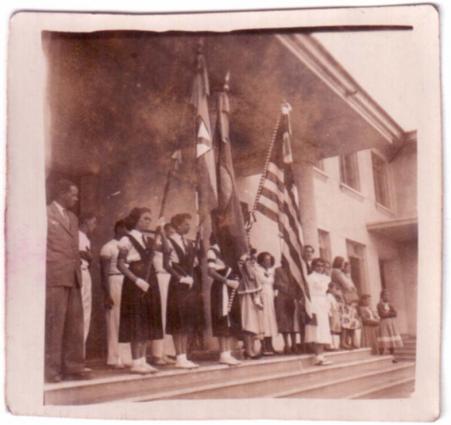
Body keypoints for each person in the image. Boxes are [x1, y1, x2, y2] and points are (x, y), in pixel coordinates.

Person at [45, 179, 88, 383]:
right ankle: (51, 371)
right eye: (73, 194)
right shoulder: (45, 213)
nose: (76, 198)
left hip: (73, 276)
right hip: (55, 275)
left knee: (74, 324)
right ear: (62, 193)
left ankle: (74, 367)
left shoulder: (72, 217)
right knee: (55, 324)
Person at [117, 207, 163, 374]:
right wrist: (136, 280)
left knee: (146, 320)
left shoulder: (148, 239)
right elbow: (120, 264)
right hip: (135, 281)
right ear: (135, 220)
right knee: (136, 320)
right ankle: (136, 361)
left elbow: (166, 249)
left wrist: (161, 231)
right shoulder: (126, 239)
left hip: (149, 279)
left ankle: (143, 360)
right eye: (145, 218)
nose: (148, 221)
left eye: (150, 219)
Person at [165, 213, 201, 369]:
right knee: (178, 320)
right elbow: (168, 264)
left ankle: (184, 355)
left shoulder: (189, 243)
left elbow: (192, 264)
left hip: (189, 285)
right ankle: (179, 356)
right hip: (177, 284)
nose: (189, 227)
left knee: (186, 319)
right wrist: (180, 278)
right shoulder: (170, 242)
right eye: (186, 224)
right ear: (178, 226)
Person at [100, 219, 132, 369]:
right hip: (114, 282)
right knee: (114, 320)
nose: (128, 232)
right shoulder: (108, 247)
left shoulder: (128, 246)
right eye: (126, 228)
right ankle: (114, 357)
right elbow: (104, 273)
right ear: (118, 228)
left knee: (126, 321)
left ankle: (127, 357)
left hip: (126, 283)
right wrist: (107, 294)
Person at [207, 236, 242, 365]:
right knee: (222, 318)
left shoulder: (227, 252)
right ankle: (223, 353)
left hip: (229, 288)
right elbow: (210, 271)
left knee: (229, 320)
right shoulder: (212, 251)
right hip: (220, 288)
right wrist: (226, 281)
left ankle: (227, 353)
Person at [150, 223, 176, 366]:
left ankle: (165, 352)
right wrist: (160, 234)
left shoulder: (170, 246)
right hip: (159, 279)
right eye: (169, 233)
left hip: (169, 279)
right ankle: (157, 354)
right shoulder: (157, 244)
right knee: (160, 316)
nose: (171, 235)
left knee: (167, 317)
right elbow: (164, 248)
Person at [304, 258, 333, 365]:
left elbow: (328, 290)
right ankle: (318, 356)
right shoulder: (310, 278)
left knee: (323, 330)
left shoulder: (326, 278)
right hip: (314, 303)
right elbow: (307, 293)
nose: (320, 268)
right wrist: (309, 307)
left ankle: (321, 355)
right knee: (316, 330)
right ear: (313, 266)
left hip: (323, 304)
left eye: (322, 266)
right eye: (317, 266)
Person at [237, 249, 265, 359]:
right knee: (249, 324)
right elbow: (240, 264)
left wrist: (258, 298)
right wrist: (244, 259)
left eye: (254, 258)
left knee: (255, 325)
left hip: (256, 300)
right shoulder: (244, 273)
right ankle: (248, 350)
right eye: (250, 259)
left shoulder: (255, 270)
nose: (253, 261)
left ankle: (253, 349)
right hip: (248, 299)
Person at [331, 256, 360, 349]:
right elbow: (348, 285)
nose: (344, 265)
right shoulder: (336, 271)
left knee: (350, 320)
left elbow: (353, 287)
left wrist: (348, 275)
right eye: (343, 263)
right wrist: (347, 275)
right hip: (343, 298)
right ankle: (343, 342)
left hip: (347, 299)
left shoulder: (342, 273)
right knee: (345, 320)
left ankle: (349, 341)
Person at [78, 213, 97, 351]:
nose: (94, 226)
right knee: (82, 313)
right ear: (86, 221)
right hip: (80, 272)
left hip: (85, 271)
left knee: (85, 313)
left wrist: (89, 256)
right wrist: (89, 256)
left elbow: (88, 256)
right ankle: (79, 354)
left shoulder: (85, 238)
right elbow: (82, 254)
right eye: (93, 222)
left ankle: (81, 354)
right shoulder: (78, 236)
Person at [256, 252, 278, 356]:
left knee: (271, 321)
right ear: (261, 260)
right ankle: (263, 346)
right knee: (263, 320)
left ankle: (271, 345)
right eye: (265, 259)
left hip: (270, 296)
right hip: (262, 295)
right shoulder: (257, 270)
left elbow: (273, 283)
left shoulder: (271, 271)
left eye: (269, 259)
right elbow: (258, 283)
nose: (268, 262)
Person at [274, 266, 297, 354]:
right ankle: (286, 344)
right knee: (284, 321)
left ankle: (294, 344)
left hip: (293, 297)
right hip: (283, 297)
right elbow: (276, 283)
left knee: (293, 321)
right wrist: (287, 289)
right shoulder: (278, 270)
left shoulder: (295, 269)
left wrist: (294, 293)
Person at [377, 290, 403, 362]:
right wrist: (389, 313)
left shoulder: (390, 305)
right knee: (384, 339)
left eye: (388, 295)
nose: (387, 297)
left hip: (391, 324)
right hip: (384, 324)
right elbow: (382, 315)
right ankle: (381, 356)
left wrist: (388, 313)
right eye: (385, 295)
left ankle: (392, 357)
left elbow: (395, 313)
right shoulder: (379, 305)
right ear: (382, 296)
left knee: (391, 340)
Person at [326, 282, 342, 350]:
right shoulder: (328, 296)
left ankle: (336, 345)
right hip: (332, 314)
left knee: (335, 329)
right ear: (330, 289)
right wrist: (330, 314)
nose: (335, 290)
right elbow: (328, 306)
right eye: (334, 288)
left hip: (335, 314)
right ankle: (330, 345)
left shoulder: (333, 297)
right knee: (331, 329)